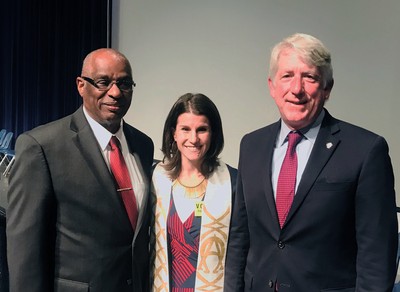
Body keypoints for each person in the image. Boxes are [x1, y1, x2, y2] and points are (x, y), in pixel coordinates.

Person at [224, 33, 398, 291]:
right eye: (287, 76)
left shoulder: (365, 150)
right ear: (272, 86)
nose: (296, 89)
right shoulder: (251, 145)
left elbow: (377, 255)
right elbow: (240, 238)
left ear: (327, 88)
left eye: (309, 77)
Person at [7, 48, 154, 292]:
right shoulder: (42, 146)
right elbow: (25, 251)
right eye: (103, 82)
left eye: (124, 83)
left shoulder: (143, 145)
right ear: (80, 85)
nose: (115, 92)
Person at [151, 93, 237, 291]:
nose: (193, 138)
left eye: (202, 130)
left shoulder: (233, 183)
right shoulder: (155, 179)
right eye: (185, 129)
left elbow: (238, 253)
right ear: (174, 133)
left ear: (213, 133)